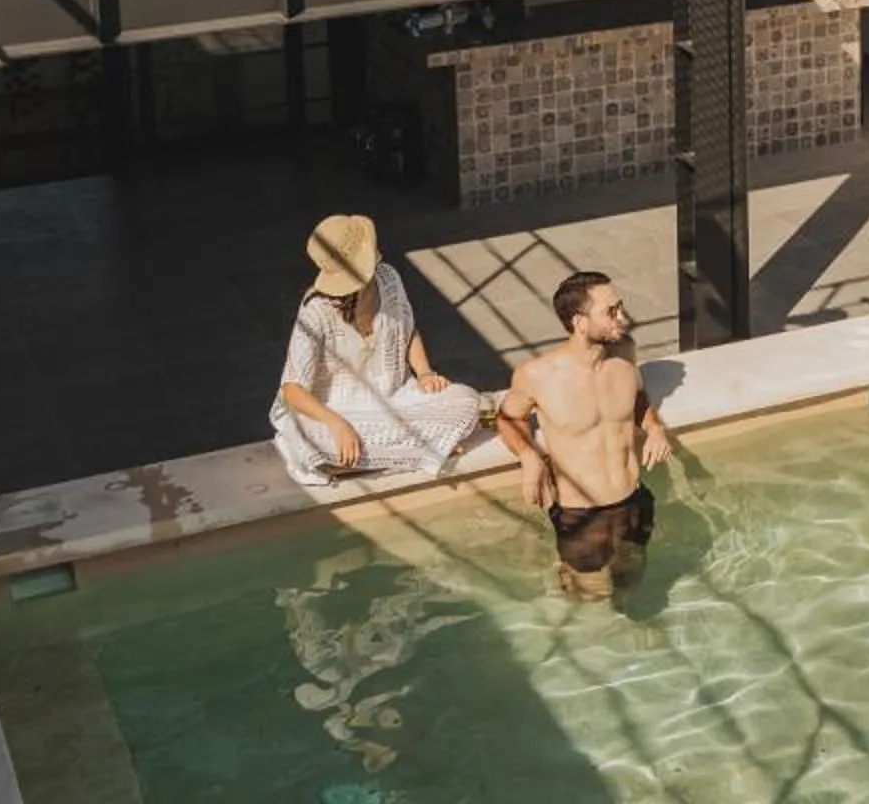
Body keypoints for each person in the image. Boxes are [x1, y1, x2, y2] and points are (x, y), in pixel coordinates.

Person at [494, 270, 676, 600]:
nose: (623, 318)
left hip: (633, 501)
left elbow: (637, 401)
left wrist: (654, 428)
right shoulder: (538, 374)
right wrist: (529, 456)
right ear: (579, 321)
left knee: (629, 581)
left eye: (620, 307)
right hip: (580, 515)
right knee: (589, 597)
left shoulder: (623, 359)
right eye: (611, 311)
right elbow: (507, 418)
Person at [270, 214, 485, 485]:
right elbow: (291, 390)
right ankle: (423, 448)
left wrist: (425, 373)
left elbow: (408, 330)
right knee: (307, 439)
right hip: (336, 410)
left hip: (396, 399)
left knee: (465, 400)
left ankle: (387, 456)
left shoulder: (389, 279)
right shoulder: (315, 310)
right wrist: (338, 424)